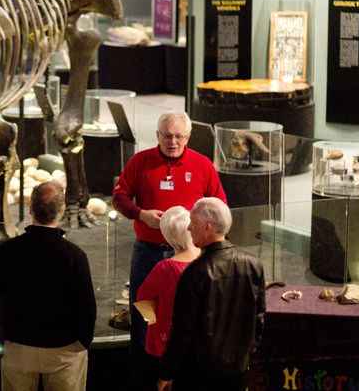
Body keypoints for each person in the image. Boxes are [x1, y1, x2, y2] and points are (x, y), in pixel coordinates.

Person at [112, 112, 226, 390]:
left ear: (188, 137)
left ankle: (179, 371)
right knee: (145, 312)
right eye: (167, 135)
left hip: (191, 257)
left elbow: (219, 203)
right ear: (157, 135)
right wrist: (141, 214)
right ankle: (145, 368)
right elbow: (119, 197)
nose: (173, 141)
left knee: (188, 315)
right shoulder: (141, 161)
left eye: (179, 136)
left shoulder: (202, 165)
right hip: (149, 253)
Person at [0, 181, 96, 391]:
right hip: (64, 350)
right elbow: (87, 306)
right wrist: (81, 343)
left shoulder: (8, 251)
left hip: (19, 347)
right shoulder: (75, 256)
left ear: (31, 209)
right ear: (61, 211)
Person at [158, 198, 265, 391]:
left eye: (193, 223)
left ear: (208, 227)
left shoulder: (194, 273)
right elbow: (259, 320)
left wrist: (167, 372)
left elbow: (182, 331)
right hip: (238, 372)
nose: (189, 229)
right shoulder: (253, 264)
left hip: (198, 376)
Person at [134, 206, 199, 388]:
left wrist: (155, 323)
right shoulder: (207, 261)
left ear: (167, 236)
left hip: (168, 344)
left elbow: (142, 299)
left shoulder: (165, 268)